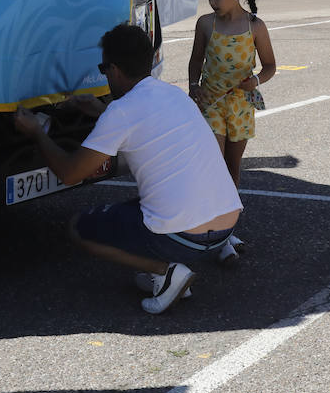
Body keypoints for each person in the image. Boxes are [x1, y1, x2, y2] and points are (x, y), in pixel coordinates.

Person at [14, 23, 242, 315]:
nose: (105, 75)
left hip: (187, 239)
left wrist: (36, 132)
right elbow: (143, 127)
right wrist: (100, 112)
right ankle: (165, 273)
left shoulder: (121, 112)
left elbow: (70, 173)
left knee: (79, 228)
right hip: (225, 228)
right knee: (143, 206)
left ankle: (165, 270)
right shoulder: (174, 95)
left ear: (115, 70)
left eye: (104, 68)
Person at [188, 0, 276, 264]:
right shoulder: (205, 24)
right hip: (211, 104)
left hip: (240, 105)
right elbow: (195, 60)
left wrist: (257, 80)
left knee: (232, 169)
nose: (212, 2)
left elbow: (269, 66)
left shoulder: (255, 26)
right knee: (213, 166)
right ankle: (206, 230)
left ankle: (226, 232)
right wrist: (193, 86)